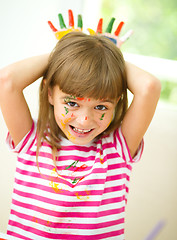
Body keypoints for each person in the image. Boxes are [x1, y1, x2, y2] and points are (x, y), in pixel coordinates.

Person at [0, 31, 161, 240]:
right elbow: (6, 80)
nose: (85, 120)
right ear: (50, 93)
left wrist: (107, 53)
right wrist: (68, 54)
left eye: (100, 106)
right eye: (72, 103)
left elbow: (149, 87)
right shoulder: (32, 140)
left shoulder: (117, 148)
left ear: (117, 102)